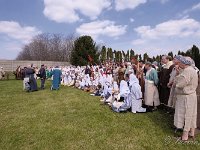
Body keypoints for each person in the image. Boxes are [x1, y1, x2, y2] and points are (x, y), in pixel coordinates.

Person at [173, 55, 198, 141]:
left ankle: (185, 136)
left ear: (183, 63)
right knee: (191, 114)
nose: (178, 65)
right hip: (192, 95)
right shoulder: (192, 70)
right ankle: (192, 132)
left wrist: (176, 84)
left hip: (186, 97)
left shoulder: (187, 71)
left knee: (186, 115)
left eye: (179, 63)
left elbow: (181, 84)